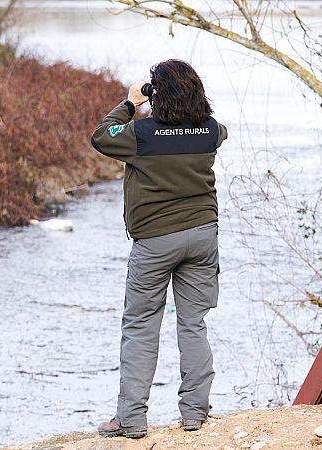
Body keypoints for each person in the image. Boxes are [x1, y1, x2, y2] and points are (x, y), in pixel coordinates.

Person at [90, 59, 228, 438]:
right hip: (202, 235)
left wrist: (131, 103)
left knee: (141, 327)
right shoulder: (210, 131)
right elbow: (220, 131)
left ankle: (131, 419)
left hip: (154, 241)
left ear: (158, 94)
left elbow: (102, 135)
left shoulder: (142, 134)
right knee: (193, 324)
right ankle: (196, 414)